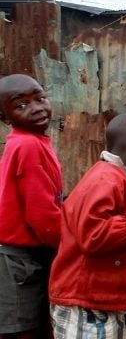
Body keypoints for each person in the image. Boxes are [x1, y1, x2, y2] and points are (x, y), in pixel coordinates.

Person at [49, 112, 126, 339]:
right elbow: (93, 235)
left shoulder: (120, 180)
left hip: (101, 302)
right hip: (86, 305)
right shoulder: (105, 180)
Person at [0, 74, 63, 339]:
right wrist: (73, 244)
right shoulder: (28, 147)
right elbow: (42, 217)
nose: (36, 107)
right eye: (21, 105)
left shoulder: (30, 141)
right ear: (5, 117)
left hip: (23, 255)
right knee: (21, 330)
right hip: (18, 260)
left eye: (40, 98)